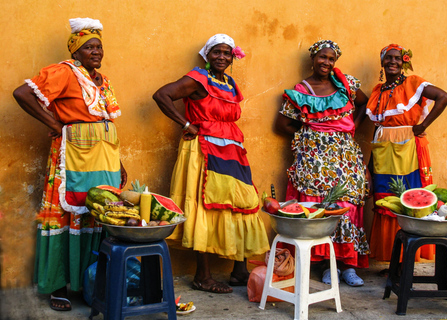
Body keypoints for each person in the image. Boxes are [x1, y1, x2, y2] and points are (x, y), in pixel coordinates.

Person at [13, 18, 127, 311]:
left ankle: (89, 283)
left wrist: (118, 161)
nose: (96, 52)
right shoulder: (64, 72)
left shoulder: (103, 81)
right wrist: (54, 123)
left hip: (104, 159)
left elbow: (104, 123)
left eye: (99, 47)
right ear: (75, 50)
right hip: (72, 157)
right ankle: (58, 286)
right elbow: (23, 94)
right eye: (88, 47)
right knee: (66, 214)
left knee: (99, 215)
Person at [152, 34, 269, 294]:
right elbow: (162, 95)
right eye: (217, 52)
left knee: (241, 202)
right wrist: (185, 124)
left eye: (227, 53)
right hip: (203, 150)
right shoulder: (198, 79)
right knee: (204, 206)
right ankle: (202, 276)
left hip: (232, 150)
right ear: (207, 55)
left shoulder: (229, 83)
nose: (222, 57)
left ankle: (239, 271)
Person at [275, 40, 371, 287]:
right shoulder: (302, 89)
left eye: (331, 59)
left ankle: (348, 265)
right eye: (322, 57)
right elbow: (282, 124)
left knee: (347, 205)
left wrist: (354, 126)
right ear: (313, 59)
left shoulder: (346, 85)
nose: (326, 63)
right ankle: (327, 265)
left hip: (345, 156)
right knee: (320, 208)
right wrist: (312, 131)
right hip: (314, 159)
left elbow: (364, 102)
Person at [366, 44, 447, 262]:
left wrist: (423, 126)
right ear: (382, 62)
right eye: (388, 58)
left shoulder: (413, 83)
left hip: (408, 148)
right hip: (383, 150)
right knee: (386, 199)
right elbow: (378, 127)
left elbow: (444, 97)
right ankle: (393, 258)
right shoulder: (378, 91)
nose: (392, 62)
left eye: (397, 58)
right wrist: (369, 165)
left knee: (407, 198)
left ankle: (406, 259)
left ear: (404, 62)